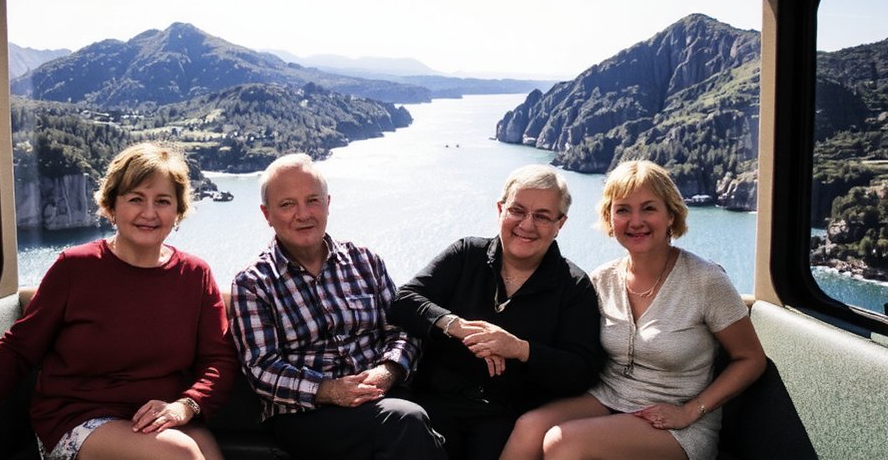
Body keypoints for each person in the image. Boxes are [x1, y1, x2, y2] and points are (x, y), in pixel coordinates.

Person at [0, 142, 237, 460]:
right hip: (77, 416)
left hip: (157, 417)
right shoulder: (75, 268)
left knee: (206, 451)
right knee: (182, 453)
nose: (150, 213)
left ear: (177, 212)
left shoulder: (195, 275)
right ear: (111, 207)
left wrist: (185, 405)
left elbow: (218, 361)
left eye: (163, 201)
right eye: (135, 199)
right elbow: (17, 350)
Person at [499, 160, 767, 460]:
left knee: (564, 443)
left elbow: (751, 358)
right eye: (623, 210)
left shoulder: (705, 280)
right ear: (610, 218)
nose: (635, 221)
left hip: (677, 423)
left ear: (671, 215)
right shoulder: (602, 279)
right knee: (529, 426)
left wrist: (691, 411)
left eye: (648, 208)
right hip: (608, 398)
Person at [229, 153, 446, 460]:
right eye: (287, 204)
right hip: (305, 413)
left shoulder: (364, 260)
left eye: (312, 200)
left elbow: (402, 328)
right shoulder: (254, 283)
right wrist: (329, 390)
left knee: (454, 417)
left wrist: (388, 371)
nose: (303, 214)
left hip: (381, 393)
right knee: (405, 422)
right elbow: (261, 369)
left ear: (328, 203)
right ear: (267, 214)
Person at [387, 164, 605, 460]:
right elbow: (403, 301)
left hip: (508, 418)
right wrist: (456, 325)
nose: (526, 225)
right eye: (517, 210)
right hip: (435, 403)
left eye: (542, 216)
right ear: (500, 209)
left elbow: (582, 370)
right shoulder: (466, 254)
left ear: (560, 224)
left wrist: (519, 349)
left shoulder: (574, 287)